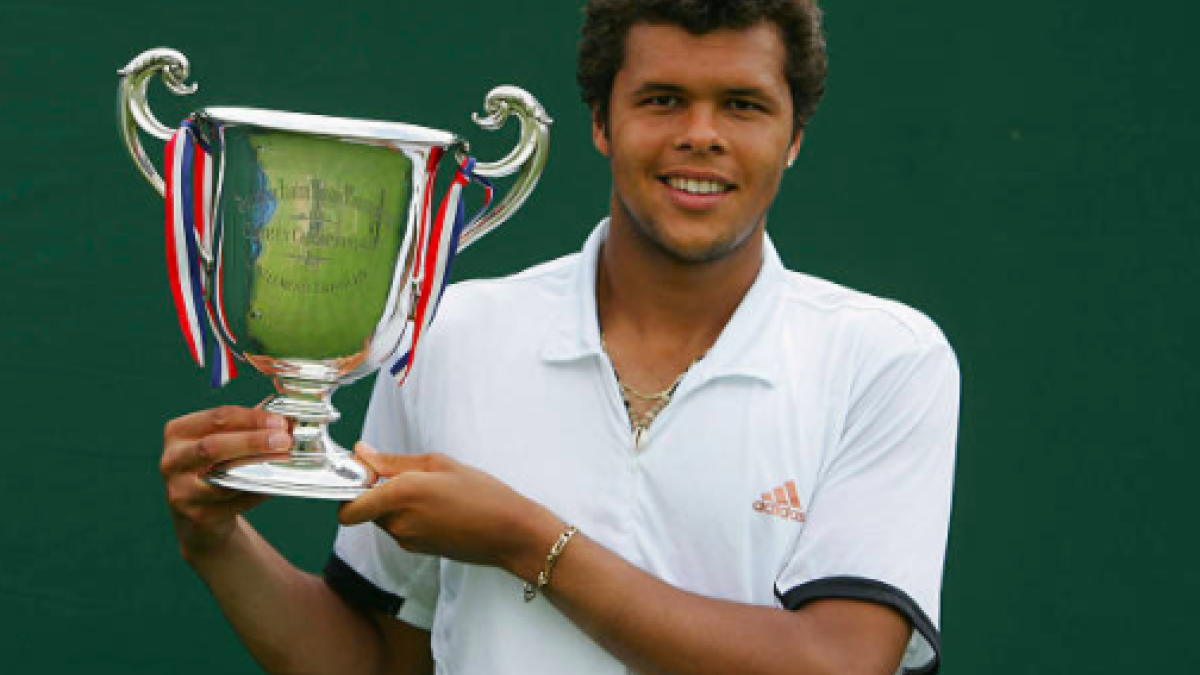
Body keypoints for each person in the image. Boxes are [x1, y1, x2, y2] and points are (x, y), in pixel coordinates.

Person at [159, 1, 960, 674]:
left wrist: (527, 539)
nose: (701, 134)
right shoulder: (448, 331)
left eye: (743, 105)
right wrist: (216, 539)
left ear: (794, 136)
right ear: (602, 123)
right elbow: (380, 657)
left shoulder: (885, 359)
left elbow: (840, 662)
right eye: (662, 100)